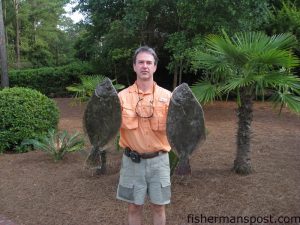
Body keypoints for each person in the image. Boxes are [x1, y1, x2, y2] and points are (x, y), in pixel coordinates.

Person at [116, 46, 172, 225]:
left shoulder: (169, 97)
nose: (145, 66)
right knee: (133, 206)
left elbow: (180, 127)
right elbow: (107, 125)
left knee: (159, 206)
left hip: (160, 161)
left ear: (155, 67)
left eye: (149, 62)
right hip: (132, 162)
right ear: (134, 66)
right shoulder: (121, 97)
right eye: (141, 62)